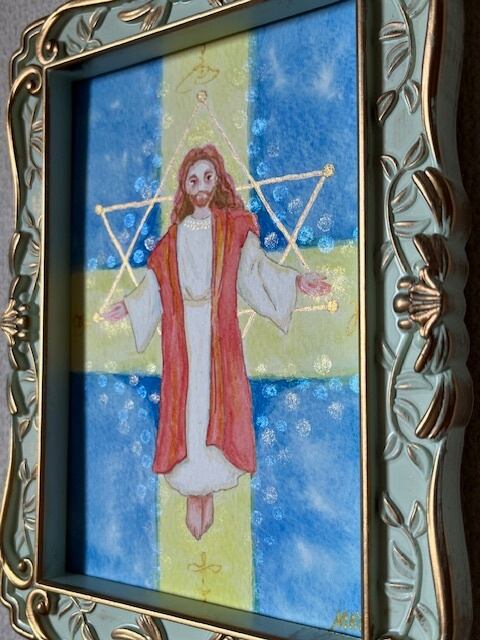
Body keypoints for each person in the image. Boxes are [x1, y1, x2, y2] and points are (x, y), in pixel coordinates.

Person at [103, 144, 331, 540]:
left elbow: (256, 271)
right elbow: (154, 285)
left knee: (216, 402)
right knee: (188, 407)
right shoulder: (173, 237)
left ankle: (209, 484)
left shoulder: (232, 227)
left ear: (219, 181)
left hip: (217, 334)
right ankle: (195, 489)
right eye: (193, 180)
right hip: (182, 337)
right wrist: (129, 306)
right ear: (185, 187)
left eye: (208, 177)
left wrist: (297, 280)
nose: (201, 186)